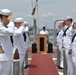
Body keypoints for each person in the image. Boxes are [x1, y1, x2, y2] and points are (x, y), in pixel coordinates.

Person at [0, 9, 15, 75]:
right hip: (3, 58)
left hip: (6, 57)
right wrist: (11, 21)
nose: (9, 19)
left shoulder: (5, 27)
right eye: (8, 17)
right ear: (3, 17)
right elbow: (11, 32)